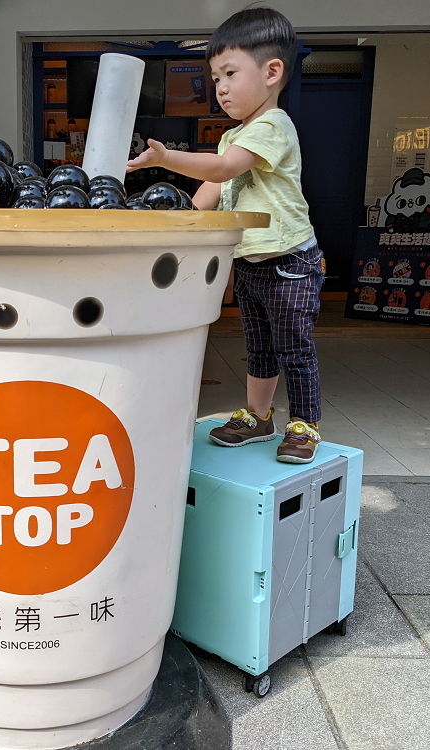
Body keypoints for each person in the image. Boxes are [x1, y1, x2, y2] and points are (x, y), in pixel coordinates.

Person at [127, 7, 322, 463]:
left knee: (293, 347)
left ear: (272, 72)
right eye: (216, 78)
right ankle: (259, 416)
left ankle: (306, 423)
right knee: (258, 346)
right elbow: (210, 191)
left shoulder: (273, 126)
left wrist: (167, 158)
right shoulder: (232, 135)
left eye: (230, 73)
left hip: (290, 260)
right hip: (250, 260)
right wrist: (178, 228)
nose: (221, 88)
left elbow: (225, 169)